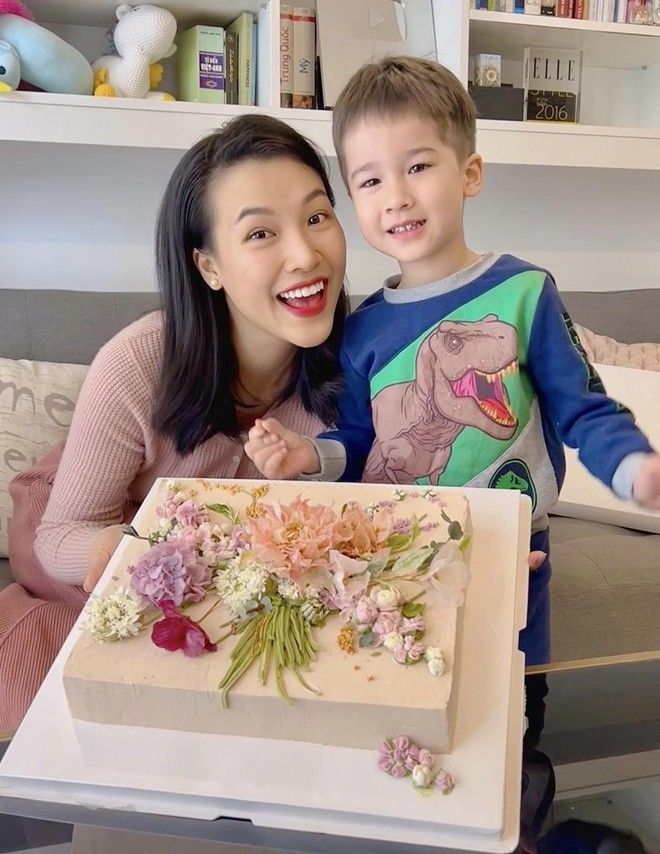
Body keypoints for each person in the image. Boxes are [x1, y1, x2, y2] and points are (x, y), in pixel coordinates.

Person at [244, 56, 660, 670]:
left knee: (518, 700)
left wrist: (631, 466)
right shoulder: (359, 331)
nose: (397, 197)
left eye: (418, 167)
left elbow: (583, 407)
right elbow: (359, 442)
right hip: (397, 558)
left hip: (513, 549)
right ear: (353, 200)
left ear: (469, 173)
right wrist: (309, 456)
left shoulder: (525, 292)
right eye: (370, 181)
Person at [1, 114, 349, 732]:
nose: (305, 255)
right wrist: (123, 552)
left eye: (317, 216)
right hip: (84, 523)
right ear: (208, 266)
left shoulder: (363, 363)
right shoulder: (137, 364)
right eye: (261, 233)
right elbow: (62, 534)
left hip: (211, 564)